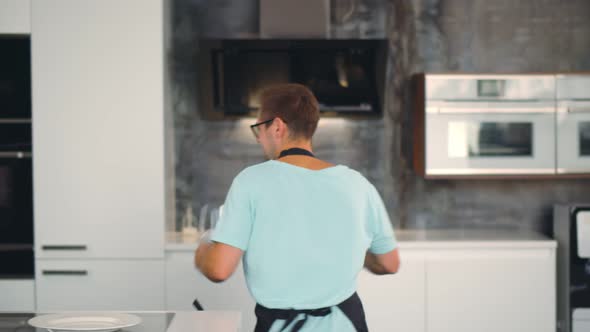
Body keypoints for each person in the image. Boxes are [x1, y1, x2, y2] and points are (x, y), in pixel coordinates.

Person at [195, 83, 400, 332]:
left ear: (277, 127)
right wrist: (348, 249)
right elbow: (389, 263)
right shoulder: (357, 184)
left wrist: (203, 248)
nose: (259, 138)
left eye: (259, 128)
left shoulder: (252, 181)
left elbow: (218, 269)